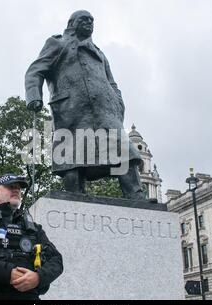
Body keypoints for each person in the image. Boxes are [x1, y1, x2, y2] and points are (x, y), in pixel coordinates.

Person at [25, 10, 145, 199]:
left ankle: (136, 196)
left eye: (91, 20)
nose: (89, 23)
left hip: (106, 112)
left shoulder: (99, 52)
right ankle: (75, 195)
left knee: (124, 151)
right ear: (72, 23)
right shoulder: (57, 44)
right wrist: (34, 95)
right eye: (84, 19)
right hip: (71, 111)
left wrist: (118, 103)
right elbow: (34, 71)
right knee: (73, 157)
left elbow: (112, 83)